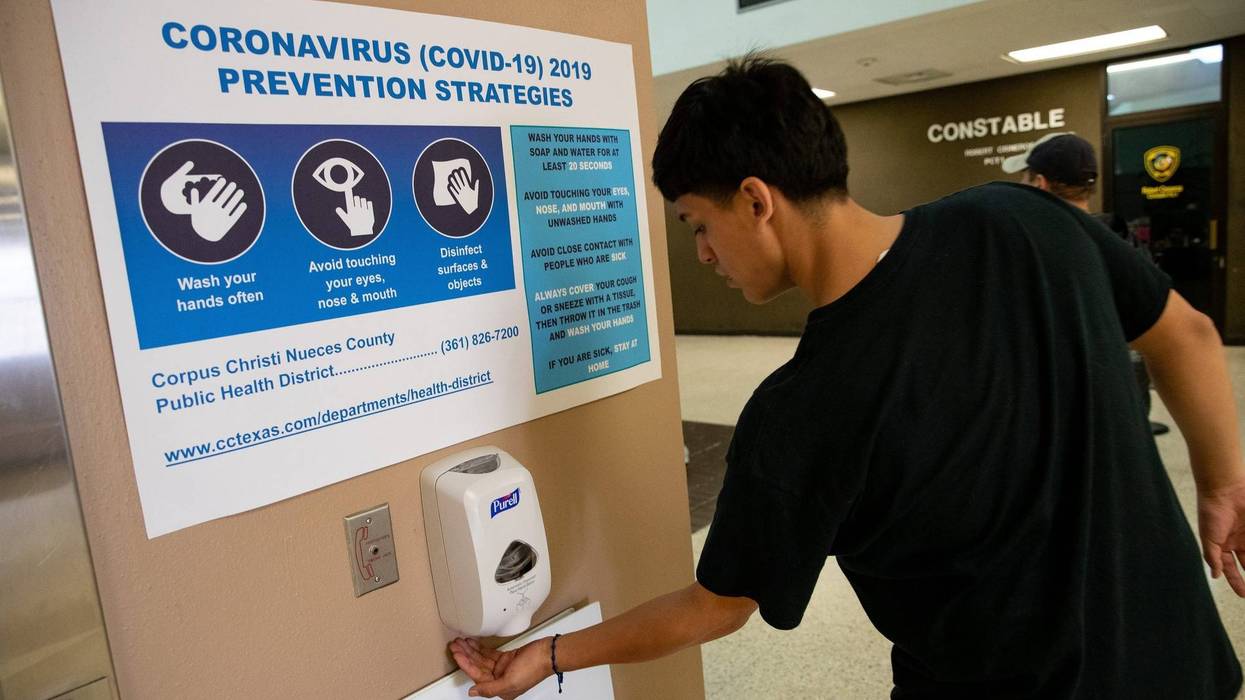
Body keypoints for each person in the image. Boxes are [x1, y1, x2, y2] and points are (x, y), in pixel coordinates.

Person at [450, 56, 1245, 699]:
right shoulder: (1022, 221)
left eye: (698, 224)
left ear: (755, 200)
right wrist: (1221, 486)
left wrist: (546, 656)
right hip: (1177, 661)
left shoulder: (804, 409)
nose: (703, 253)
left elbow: (714, 607)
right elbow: (1189, 335)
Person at [1003, 132, 1172, 436]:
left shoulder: (1031, 248)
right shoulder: (1120, 239)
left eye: (1024, 178)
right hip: (1123, 400)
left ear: (1039, 183)